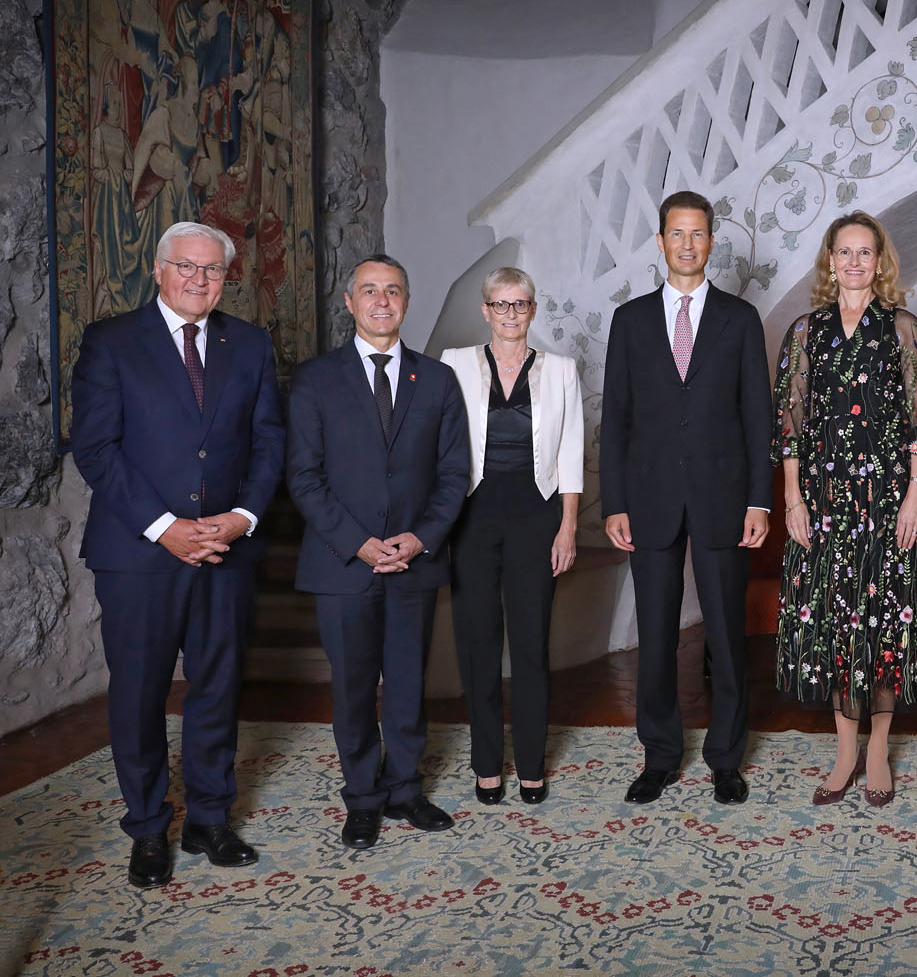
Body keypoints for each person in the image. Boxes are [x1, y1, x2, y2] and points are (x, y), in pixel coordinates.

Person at [72, 221, 285, 888]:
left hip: (226, 548)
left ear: (226, 278)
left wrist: (243, 516)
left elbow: (269, 440)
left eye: (213, 270)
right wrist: (164, 525)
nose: (199, 279)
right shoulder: (112, 342)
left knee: (217, 687)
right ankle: (147, 827)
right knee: (138, 693)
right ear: (159, 271)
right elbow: (96, 448)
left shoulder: (248, 343)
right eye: (187, 267)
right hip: (139, 553)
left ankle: (209, 818)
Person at [286, 255, 469, 849]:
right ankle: (362, 797)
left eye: (393, 290)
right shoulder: (316, 380)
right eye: (370, 291)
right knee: (354, 686)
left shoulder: (437, 381)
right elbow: (304, 477)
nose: (382, 301)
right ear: (349, 302)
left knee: (410, 683)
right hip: (344, 564)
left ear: (407, 301)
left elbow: (454, 474)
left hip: (414, 561)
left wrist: (418, 539)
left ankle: (405, 789)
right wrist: (359, 543)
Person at [773, 210, 917, 808]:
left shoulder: (902, 327)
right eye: (844, 252)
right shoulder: (805, 331)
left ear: (881, 261)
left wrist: (915, 496)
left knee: (883, 620)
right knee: (834, 621)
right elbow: (791, 423)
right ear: (830, 261)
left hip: (887, 502)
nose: (854, 262)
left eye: (865, 253)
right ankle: (844, 748)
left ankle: (878, 747)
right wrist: (792, 497)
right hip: (824, 504)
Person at [600, 190, 773, 805]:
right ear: (661, 242)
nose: (688, 244)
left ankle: (726, 758)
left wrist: (760, 502)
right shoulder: (630, 320)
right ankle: (660, 756)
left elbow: (759, 417)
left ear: (711, 242)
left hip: (725, 496)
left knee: (727, 633)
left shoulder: (740, 319)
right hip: (647, 499)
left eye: (699, 234)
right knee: (655, 634)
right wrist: (613, 503)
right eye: (678, 234)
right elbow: (615, 419)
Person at [441, 267, 584, 806]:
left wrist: (569, 526)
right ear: (485, 311)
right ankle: (485, 765)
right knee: (477, 643)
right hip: (473, 515)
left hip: (536, 513)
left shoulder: (561, 369)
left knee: (529, 643)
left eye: (519, 304)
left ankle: (529, 764)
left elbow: (571, 448)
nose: (509, 315)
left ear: (532, 309)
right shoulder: (455, 363)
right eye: (499, 305)